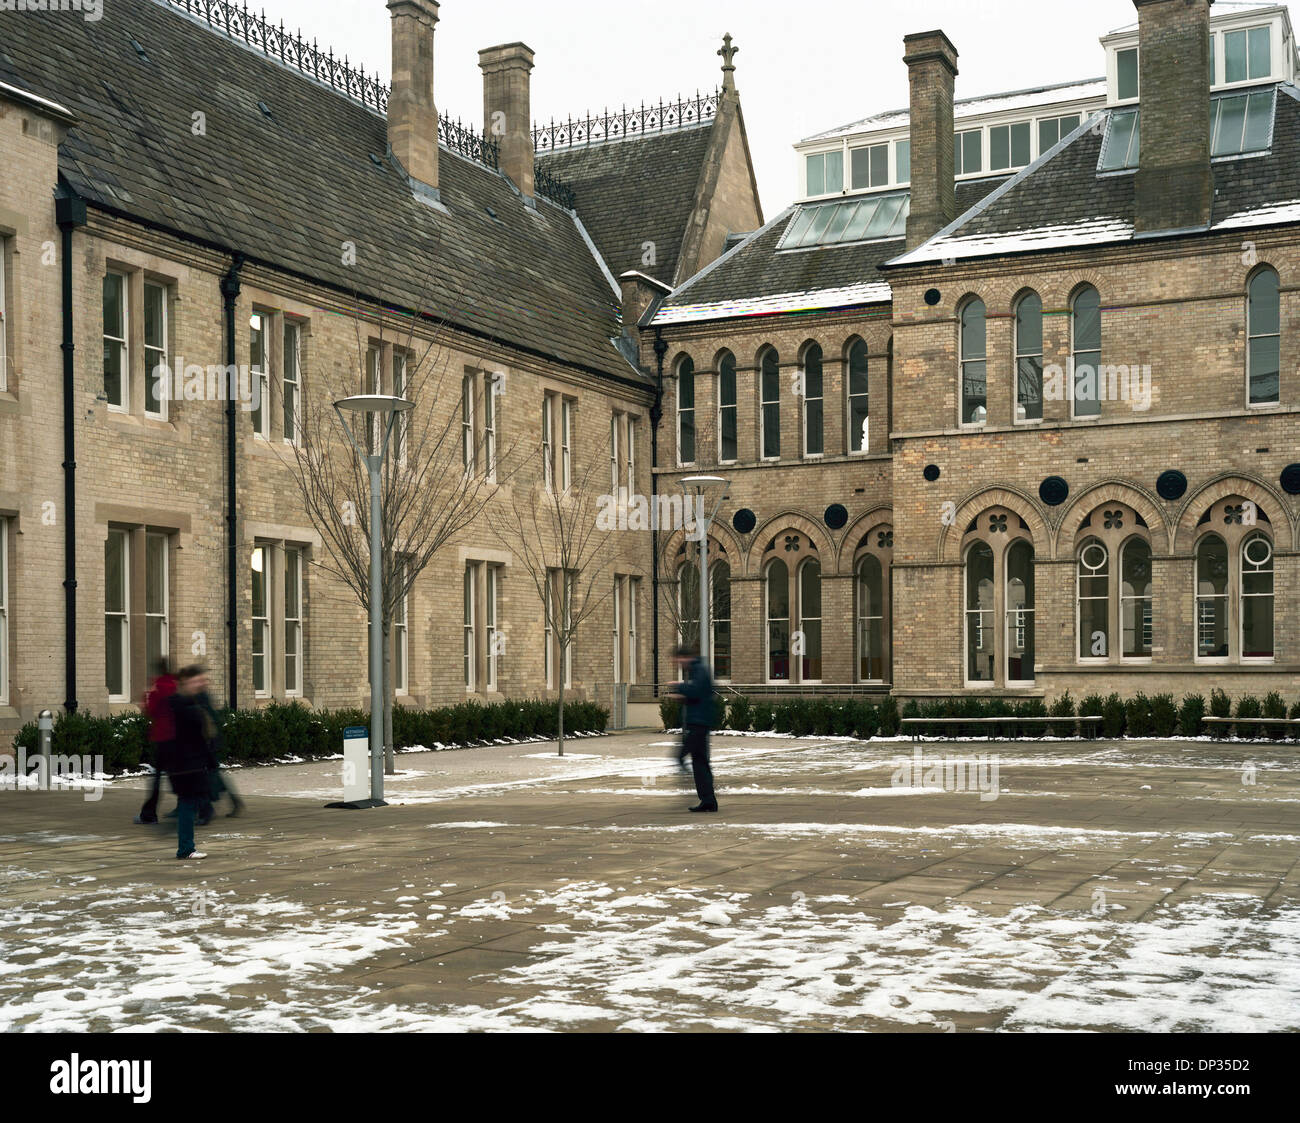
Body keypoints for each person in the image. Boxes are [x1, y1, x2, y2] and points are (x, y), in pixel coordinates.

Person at [163, 665, 217, 860]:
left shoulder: (189, 702)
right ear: (186, 682)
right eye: (197, 680)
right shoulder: (181, 705)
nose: (201, 684)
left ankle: (185, 846)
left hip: (189, 763)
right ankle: (185, 848)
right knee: (188, 803)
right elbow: (192, 737)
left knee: (192, 801)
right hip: (186, 765)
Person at [668, 644, 718, 812]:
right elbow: (699, 694)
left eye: (678, 660)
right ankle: (708, 801)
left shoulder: (699, 670)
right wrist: (683, 696)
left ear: (684, 657)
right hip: (700, 720)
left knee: (683, 755)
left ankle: (707, 798)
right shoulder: (698, 669)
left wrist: (679, 686)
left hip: (699, 722)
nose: (678, 664)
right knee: (700, 762)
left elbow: (697, 691)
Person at [135, 660, 176, 825]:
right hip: (176, 736)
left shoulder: (158, 687)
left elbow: (151, 710)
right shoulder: (175, 685)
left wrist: (147, 697)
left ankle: (149, 813)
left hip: (162, 737)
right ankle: (197, 807)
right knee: (177, 775)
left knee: (158, 777)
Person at [196, 678, 243, 820]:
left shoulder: (199, 697)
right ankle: (233, 802)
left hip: (208, 741)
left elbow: (207, 721)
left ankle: (208, 807)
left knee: (209, 774)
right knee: (213, 774)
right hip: (210, 741)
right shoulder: (202, 696)